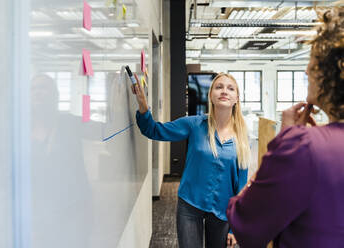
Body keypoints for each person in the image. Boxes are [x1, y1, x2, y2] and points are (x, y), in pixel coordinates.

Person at [226, 7, 344, 248]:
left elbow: (245, 223)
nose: (306, 70)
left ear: (329, 72)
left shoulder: (304, 147)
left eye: (312, 61)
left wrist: (283, 142)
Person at [131, 72, 251, 248]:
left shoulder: (241, 136)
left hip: (223, 209)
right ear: (211, 95)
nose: (224, 91)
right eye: (219, 87)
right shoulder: (195, 124)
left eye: (230, 88)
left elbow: (241, 186)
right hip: (190, 204)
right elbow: (154, 130)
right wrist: (143, 106)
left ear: (236, 98)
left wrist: (235, 227)